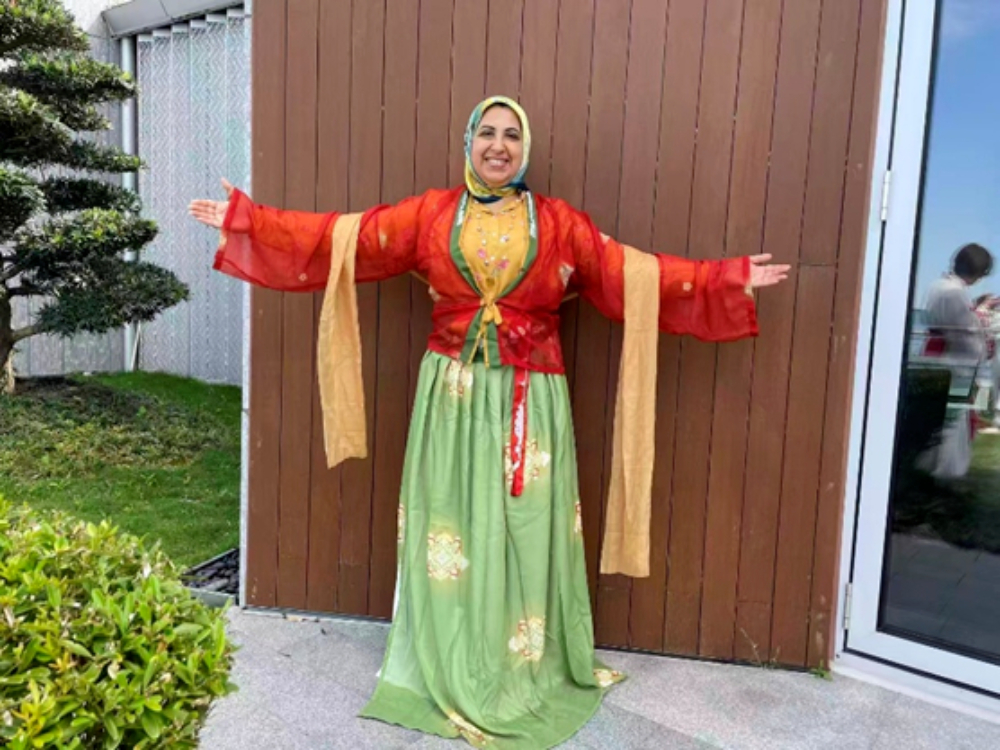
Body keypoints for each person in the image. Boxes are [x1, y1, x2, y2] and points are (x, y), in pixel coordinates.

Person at [190, 97, 789, 749]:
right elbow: (346, 237)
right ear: (468, 141)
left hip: (534, 400)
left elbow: (631, 272)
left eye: (511, 135)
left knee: (527, 526)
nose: (498, 145)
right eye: (487, 133)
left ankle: (522, 659)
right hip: (450, 397)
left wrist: (725, 277)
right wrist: (250, 221)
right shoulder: (431, 214)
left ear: (524, 150)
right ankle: (450, 654)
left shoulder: (558, 224)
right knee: (449, 523)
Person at [919, 243, 993, 478]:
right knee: (951, 424)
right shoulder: (954, 293)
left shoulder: (938, 286)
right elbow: (966, 337)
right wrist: (983, 352)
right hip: (951, 361)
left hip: (938, 355)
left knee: (939, 420)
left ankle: (933, 469)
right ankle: (944, 473)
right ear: (978, 273)